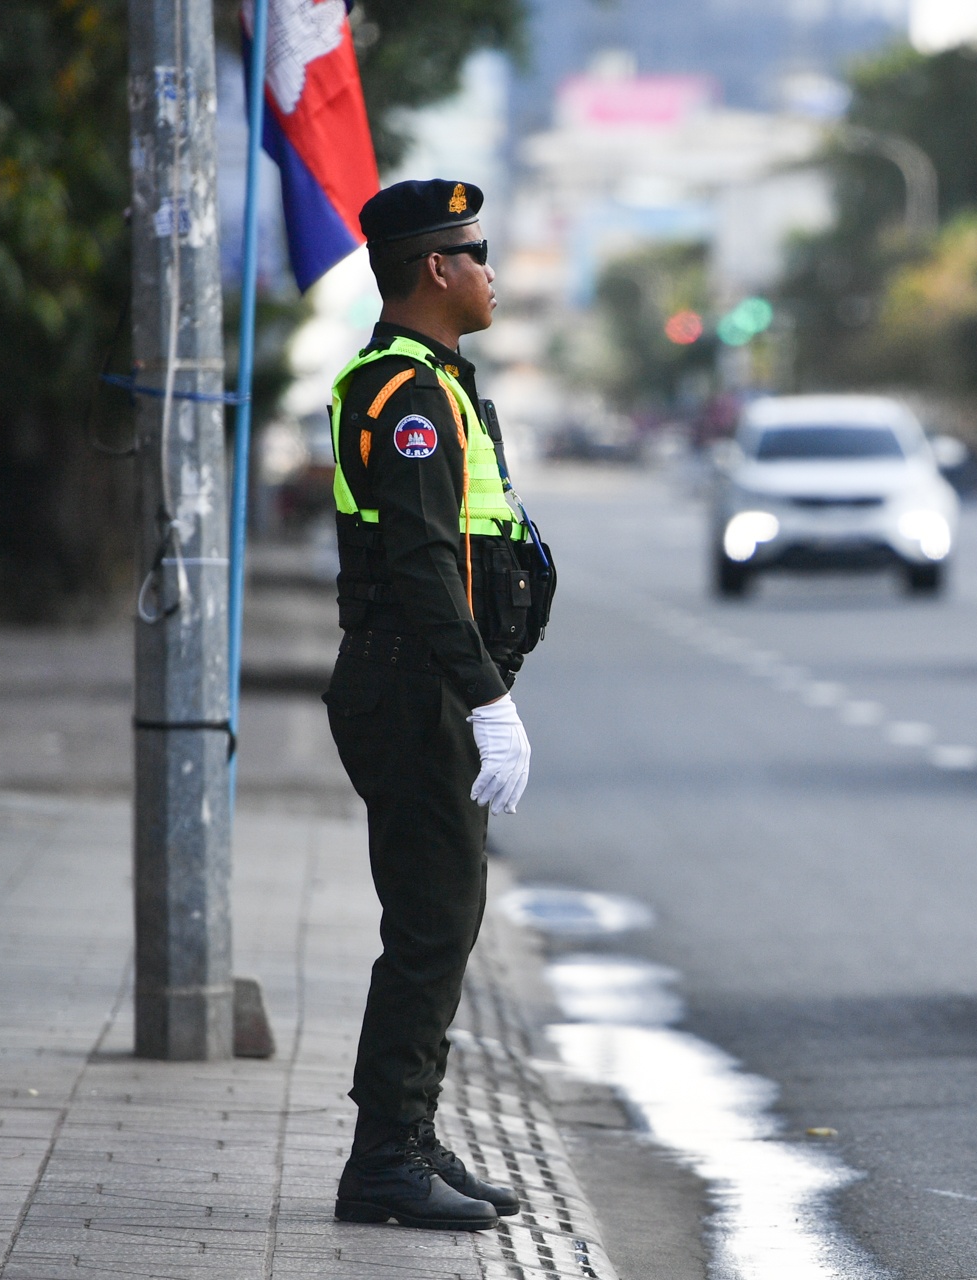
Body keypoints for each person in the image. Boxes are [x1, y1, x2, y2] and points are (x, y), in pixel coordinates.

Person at [322, 179, 546, 1231]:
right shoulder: (409, 396)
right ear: (435, 270)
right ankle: (383, 1159)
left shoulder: (432, 383)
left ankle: (407, 1133)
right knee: (432, 921)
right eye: (477, 253)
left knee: (441, 917)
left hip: (419, 681)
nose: (491, 272)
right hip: (414, 683)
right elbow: (421, 564)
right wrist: (486, 697)